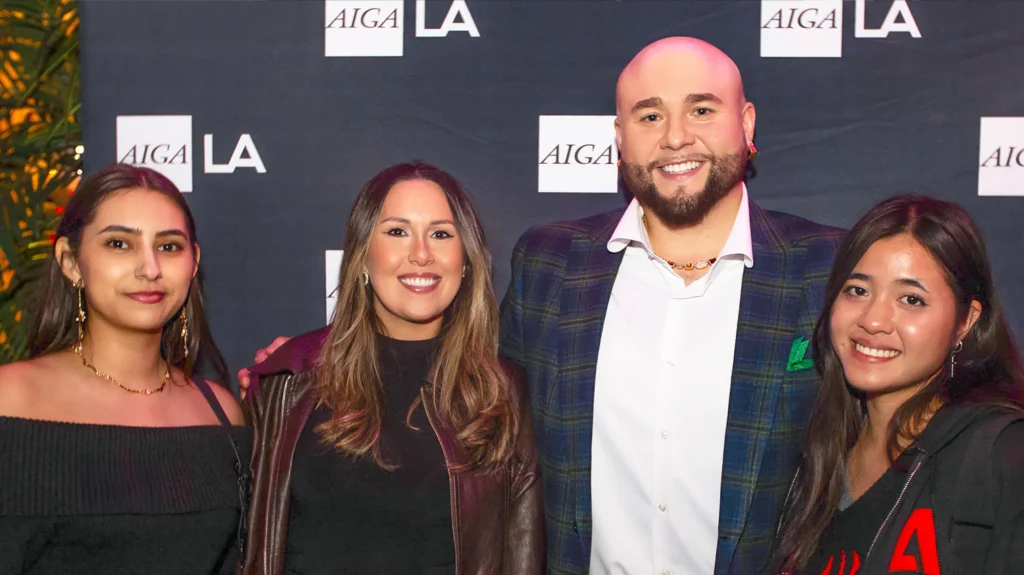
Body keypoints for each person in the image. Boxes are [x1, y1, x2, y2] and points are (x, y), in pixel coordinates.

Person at [242, 37, 845, 574]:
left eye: (702, 109)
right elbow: (471, 398)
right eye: (650, 114)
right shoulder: (553, 264)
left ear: (745, 122)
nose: (676, 136)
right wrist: (302, 362)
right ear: (618, 137)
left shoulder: (827, 270)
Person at [240, 162, 544, 575]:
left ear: (467, 260)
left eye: (440, 234)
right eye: (397, 231)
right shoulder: (287, 381)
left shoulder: (503, 392)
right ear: (362, 257)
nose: (421, 254)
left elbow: (521, 553)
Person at [0, 164, 249, 574]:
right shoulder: (14, 400)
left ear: (193, 262)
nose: (149, 268)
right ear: (71, 262)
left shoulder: (220, 412)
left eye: (169, 247)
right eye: (119, 244)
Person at [771, 195, 1024, 575]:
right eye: (857, 290)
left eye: (911, 299)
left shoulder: (1000, 451)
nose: (873, 320)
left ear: (965, 321)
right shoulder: (814, 453)